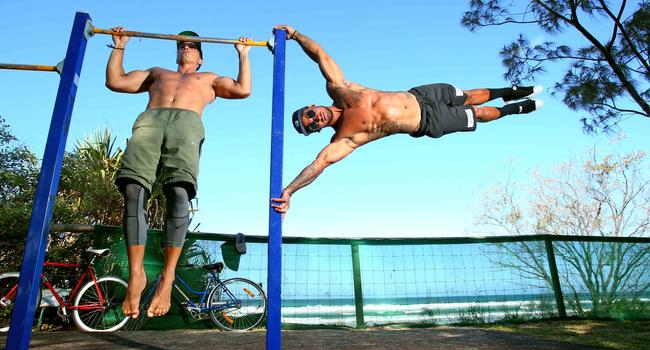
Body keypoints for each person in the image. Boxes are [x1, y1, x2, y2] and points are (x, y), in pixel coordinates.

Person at [270, 25, 543, 215]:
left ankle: (512, 91)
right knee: (481, 115)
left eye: (309, 114)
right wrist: (290, 191)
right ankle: (515, 110)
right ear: (317, 131)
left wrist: (295, 35)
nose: (314, 119)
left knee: (470, 95)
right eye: (312, 125)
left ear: (312, 105)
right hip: (428, 121)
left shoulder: (340, 89)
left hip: (421, 93)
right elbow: (319, 164)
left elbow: (320, 55)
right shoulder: (344, 138)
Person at [106, 27, 253, 318]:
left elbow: (242, 89)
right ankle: (137, 274)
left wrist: (243, 56)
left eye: (192, 46)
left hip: (187, 124)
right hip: (151, 121)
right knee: (134, 189)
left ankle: (167, 276)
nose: (185, 48)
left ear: (199, 58)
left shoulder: (208, 78)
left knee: (179, 192)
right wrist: (119, 46)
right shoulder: (157, 73)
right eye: (182, 45)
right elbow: (115, 81)